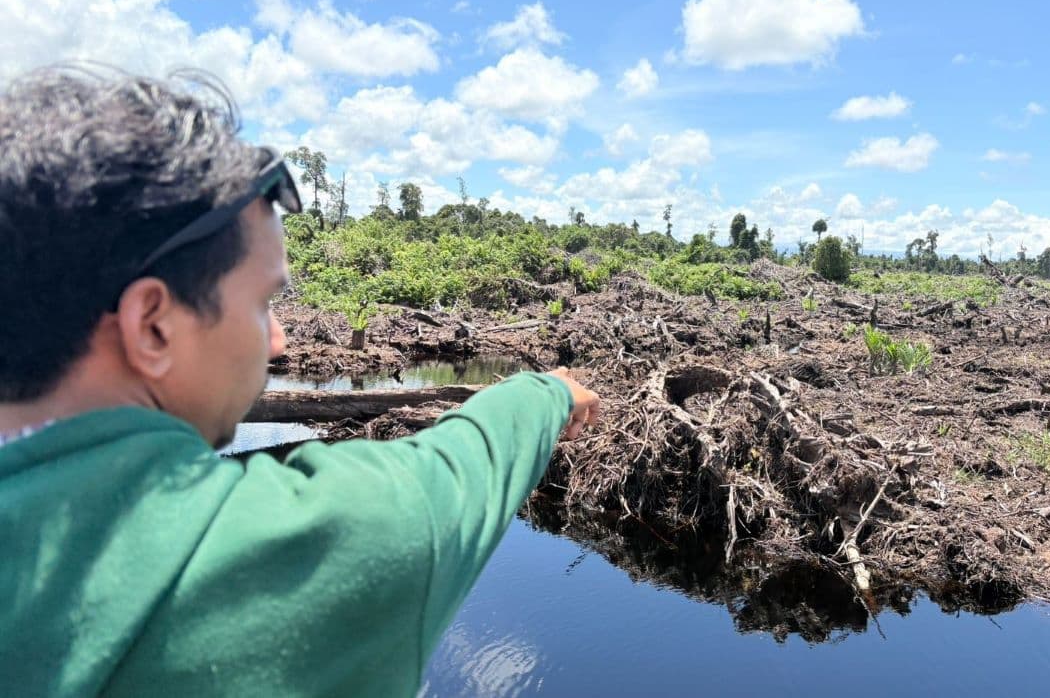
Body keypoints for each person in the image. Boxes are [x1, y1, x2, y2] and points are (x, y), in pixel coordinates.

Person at [0, 67, 600, 696]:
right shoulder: (320, 539)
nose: (281, 340)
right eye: (261, 304)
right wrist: (548, 392)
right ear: (152, 327)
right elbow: (458, 472)